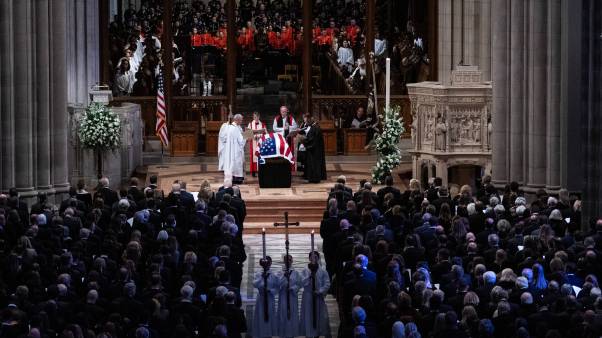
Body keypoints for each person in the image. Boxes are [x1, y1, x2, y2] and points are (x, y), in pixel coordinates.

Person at [300, 251, 331, 338]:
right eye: (312, 257)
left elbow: (327, 283)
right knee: (308, 315)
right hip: (308, 296)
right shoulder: (305, 270)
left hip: (318, 296)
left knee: (319, 316)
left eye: (316, 257)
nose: (314, 259)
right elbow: (302, 282)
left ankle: (317, 333)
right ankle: (308, 333)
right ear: (309, 258)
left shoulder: (323, 271)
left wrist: (320, 291)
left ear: (318, 258)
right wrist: (310, 276)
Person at [251, 256, 279, 338]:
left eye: (269, 263)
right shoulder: (258, 273)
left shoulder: (273, 275)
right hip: (261, 298)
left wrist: (271, 290)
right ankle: (260, 334)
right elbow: (255, 284)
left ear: (270, 263)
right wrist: (262, 278)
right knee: (260, 316)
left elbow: (277, 288)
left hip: (270, 298)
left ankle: (268, 334)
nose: (268, 265)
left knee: (269, 316)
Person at [276, 255, 301, 338]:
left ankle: (292, 334)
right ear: (284, 261)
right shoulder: (280, 272)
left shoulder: (296, 272)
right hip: (283, 296)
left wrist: (292, 288)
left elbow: (299, 284)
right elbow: (277, 284)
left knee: (292, 315)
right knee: (283, 314)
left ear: (292, 261)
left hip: (292, 297)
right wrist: (284, 277)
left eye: (290, 260)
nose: (288, 262)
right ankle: (283, 334)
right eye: (286, 260)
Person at [218, 114, 247, 184]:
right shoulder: (235, 128)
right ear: (237, 120)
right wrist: (247, 135)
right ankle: (237, 179)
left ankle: (232, 177)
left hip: (231, 150)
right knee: (237, 164)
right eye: (241, 120)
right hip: (236, 150)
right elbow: (241, 141)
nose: (242, 121)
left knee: (232, 164)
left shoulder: (231, 127)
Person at [299, 113, 327, 183]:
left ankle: (314, 179)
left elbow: (312, 140)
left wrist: (303, 141)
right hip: (315, 149)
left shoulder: (315, 128)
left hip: (314, 151)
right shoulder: (314, 127)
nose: (306, 123)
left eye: (307, 121)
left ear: (311, 119)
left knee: (314, 164)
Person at [247, 112, 267, 177]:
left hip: (260, 143)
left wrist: (261, 135)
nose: (256, 118)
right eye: (255, 117)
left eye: (257, 117)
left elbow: (266, 134)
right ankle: (253, 171)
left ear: (259, 117)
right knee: (253, 156)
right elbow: (247, 135)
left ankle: (261, 170)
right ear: (253, 117)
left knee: (260, 156)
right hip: (253, 142)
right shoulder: (250, 124)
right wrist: (253, 136)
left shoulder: (263, 124)